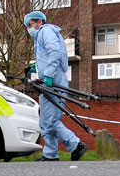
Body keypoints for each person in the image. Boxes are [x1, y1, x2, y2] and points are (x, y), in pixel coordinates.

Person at [25, 11, 87, 161]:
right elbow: (47, 57)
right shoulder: (40, 36)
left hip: (54, 80)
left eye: (29, 24)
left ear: (39, 22)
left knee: (50, 121)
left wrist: (48, 75)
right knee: (45, 121)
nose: (28, 29)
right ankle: (50, 154)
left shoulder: (46, 31)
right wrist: (36, 69)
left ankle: (75, 145)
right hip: (51, 79)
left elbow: (54, 53)